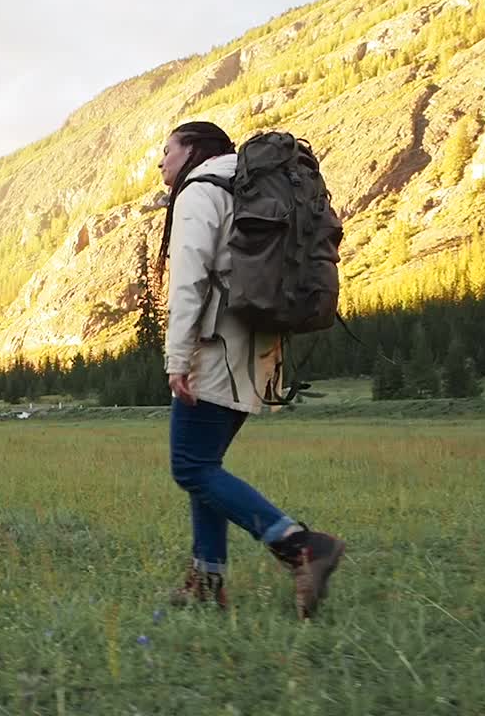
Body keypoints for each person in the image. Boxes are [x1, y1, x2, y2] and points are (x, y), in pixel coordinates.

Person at [157, 121, 345, 619]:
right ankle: (207, 580)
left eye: (167, 151)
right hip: (256, 345)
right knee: (205, 469)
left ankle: (299, 545)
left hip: (214, 348)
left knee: (191, 466)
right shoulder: (241, 185)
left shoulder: (200, 191)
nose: (162, 163)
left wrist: (178, 359)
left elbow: (189, 283)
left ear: (193, 150)